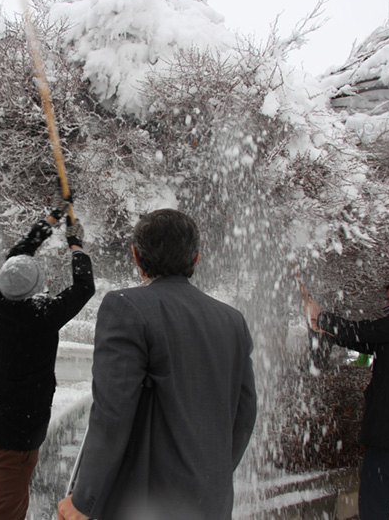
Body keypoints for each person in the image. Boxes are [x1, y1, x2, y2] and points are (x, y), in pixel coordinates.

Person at [58, 208, 257, 520]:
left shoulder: (126, 308)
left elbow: (112, 413)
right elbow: (245, 415)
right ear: (196, 258)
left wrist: (84, 499)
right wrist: (207, 476)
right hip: (211, 505)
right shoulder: (232, 321)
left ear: (136, 257)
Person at [0, 196, 95, 520]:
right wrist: (75, 245)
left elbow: (17, 256)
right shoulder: (42, 315)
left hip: (0, 422)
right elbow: (85, 287)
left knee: (14, 504)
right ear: (37, 288)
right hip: (17, 432)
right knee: (2, 512)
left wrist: (52, 219)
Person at [303, 278, 389, 520]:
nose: (387, 304)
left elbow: (363, 332)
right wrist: (325, 326)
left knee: (375, 499)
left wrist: (322, 317)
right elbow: (368, 342)